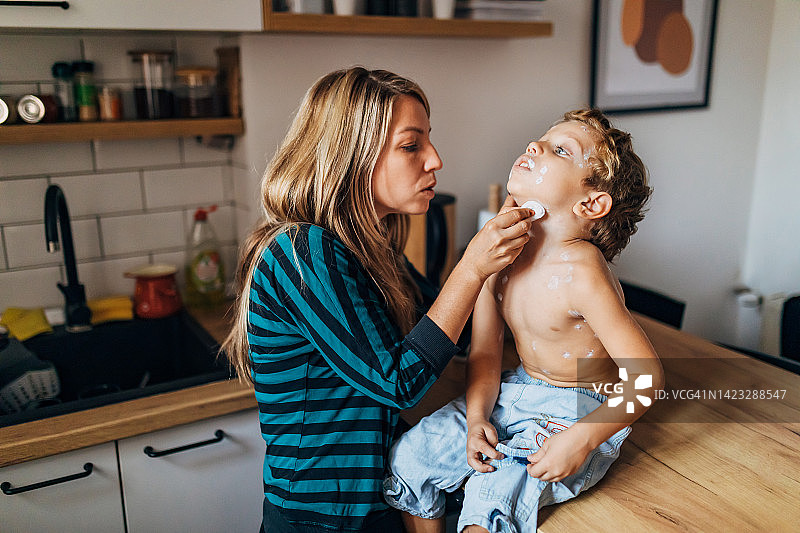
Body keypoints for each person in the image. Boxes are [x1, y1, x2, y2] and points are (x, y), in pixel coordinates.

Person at [221, 67, 537, 533]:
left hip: (378, 504)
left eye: (428, 140)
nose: (435, 159)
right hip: (324, 519)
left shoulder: (368, 247)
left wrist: (504, 271)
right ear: (352, 156)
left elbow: (451, 329)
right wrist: (472, 266)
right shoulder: (301, 252)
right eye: (411, 146)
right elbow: (397, 380)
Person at [383, 109, 665, 533]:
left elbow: (647, 377)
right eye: (540, 139)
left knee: (490, 495)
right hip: (514, 391)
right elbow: (485, 352)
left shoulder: (583, 269)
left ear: (591, 203)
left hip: (577, 408)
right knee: (409, 458)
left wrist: (581, 440)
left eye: (560, 150)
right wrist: (477, 417)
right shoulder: (498, 255)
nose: (534, 146)